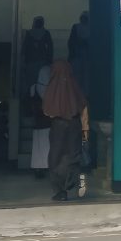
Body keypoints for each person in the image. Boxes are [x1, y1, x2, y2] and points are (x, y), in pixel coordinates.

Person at [43, 60, 88, 201]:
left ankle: (60, 191)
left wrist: (58, 109)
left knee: (55, 157)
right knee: (73, 154)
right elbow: (83, 106)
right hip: (74, 124)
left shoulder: (52, 87)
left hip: (58, 125)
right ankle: (71, 182)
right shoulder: (74, 85)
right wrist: (85, 128)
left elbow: (47, 111)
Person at [29, 64, 52, 179]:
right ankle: (48, 167)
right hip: (49, 121)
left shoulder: (34, 87)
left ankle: (38, 169)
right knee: (48, 146)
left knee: (38, 147)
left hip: (38, 121)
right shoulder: (52, 88)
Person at [21, 16, 53, 93]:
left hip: (36, 61)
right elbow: (50, 48)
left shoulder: (31, 33)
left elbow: (50, 48)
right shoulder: (44, 33)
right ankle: (35, 97)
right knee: (36, 81)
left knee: (35, 81)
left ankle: (34, 97)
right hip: (37, 61)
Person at [68, 11, 91, 97]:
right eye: (82, 17)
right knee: (76, 76)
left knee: (87, 76)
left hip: (88, 57)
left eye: (85, 17)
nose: (83, 19)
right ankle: (76, 94)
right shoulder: (76, 27)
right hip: (77, 56)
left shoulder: (92, 28)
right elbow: (71, 42)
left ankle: (85, 95)